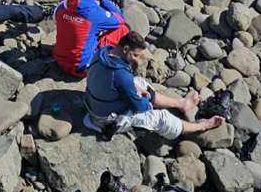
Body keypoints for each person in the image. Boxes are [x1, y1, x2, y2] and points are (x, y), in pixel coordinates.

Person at [85, 36, 226, 142]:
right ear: (125, 49)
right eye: (135, 55)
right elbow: (140, 108)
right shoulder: (121, 76)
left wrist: (135, 89)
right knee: (161, 118)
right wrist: (147, 103)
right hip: (105, 119)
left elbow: (113, 79)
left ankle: (181, 103)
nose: (137, 59)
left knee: (138, 82)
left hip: (93, 102)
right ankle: (203, 125)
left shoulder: (103, 52)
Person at [50, 0, 133, 80]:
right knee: (123, 29)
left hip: (59, 59)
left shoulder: (62, 7)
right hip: (80, 68)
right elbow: (121, 19)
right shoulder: (95, 13)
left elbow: (56, 21)